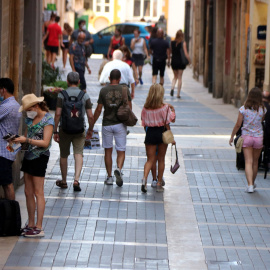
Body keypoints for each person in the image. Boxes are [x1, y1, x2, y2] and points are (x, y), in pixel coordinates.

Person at [14, 94, 54, 237]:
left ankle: (39, 226)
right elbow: (26, 138)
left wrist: (27, 140)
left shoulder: (48, 120)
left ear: (35, 106)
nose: (27, 112)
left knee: (38, 192)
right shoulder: (30, 119)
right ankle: (30, 223)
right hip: (29, 156)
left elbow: (45, 143)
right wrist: (17, 143)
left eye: (28, 109)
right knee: (28, 192)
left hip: (40, 157)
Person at [53, 72, 94, 192]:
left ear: (67, 81)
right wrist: (90, 129)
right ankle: (76, 180)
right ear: (79, 82)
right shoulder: (84, 95)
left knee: (64, 154)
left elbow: (58, 114)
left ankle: (64, 181)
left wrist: (55, 131)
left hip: (64, 129)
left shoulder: (62, 95)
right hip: (79, 129)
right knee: (78, 153)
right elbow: (90, 116)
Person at [94, 69, 132, 186]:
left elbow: (99, 109)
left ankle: (110, 177)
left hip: (107, 124)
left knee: (108, 151)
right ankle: (119, 170)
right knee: (121, 150)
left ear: (109, 78)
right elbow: (129, 108)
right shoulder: (125, 89)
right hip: (120, 124)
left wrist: (92, 124)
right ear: (120, 78)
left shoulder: (104, 90)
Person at [229, 87, 266, 193]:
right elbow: (261, 121)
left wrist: (232, 136)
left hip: (247, 137)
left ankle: (249, 185)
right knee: (255, 162)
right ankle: (252, 183)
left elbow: (238, 125)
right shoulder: (263, 109)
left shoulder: (243, 109)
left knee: (248, 162)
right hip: (258, 138)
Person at [141, 84, 175, 193]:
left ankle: (145, 179)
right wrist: (173, 110)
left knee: (150, 160)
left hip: (150, 133)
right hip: (162, 133)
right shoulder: (165, 108)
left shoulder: (145, 108)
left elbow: (144, 122)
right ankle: (159, 182)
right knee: (161, 159)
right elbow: (170, 120)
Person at [0, 78, 21, 200]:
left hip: (3, 150)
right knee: (6, 183)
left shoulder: (7, 106)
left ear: (3, 90)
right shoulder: (16, 105)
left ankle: (11, 213)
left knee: (7, 184)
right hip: (10, 149)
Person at [170, 30, 191, 98]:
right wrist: (189, 61)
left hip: (174, 61)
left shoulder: (172, 42)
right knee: (180, 78)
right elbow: (186, 54)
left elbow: (171, 52)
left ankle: (172, 88)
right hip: (180, 62)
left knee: (175, 76)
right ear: (182, 35)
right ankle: (178, 94)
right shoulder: (183, 43)